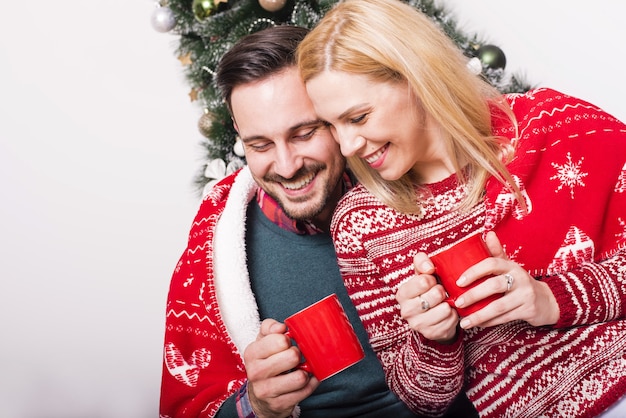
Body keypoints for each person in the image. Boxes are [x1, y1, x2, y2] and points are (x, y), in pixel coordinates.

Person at [297, 0, 626, 417]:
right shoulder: (360, 224)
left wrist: (550, 297)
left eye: (358, 117)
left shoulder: (552, 125)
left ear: (417, 77)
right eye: (331, 125)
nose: (347, 147)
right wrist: (434, 338)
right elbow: (422, 400)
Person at [159, 25, 453, 418]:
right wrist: (258, 404)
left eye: (303, 133)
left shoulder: (422, 187)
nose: (286, 165)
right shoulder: (218, 244)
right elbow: (188, 405)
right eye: (259, 144)